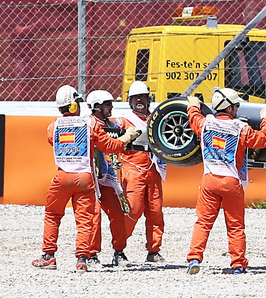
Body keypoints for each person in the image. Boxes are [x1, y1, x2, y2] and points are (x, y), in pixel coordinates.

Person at [31, 85, 137, 272]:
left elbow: (51, 140)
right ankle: (82, 259)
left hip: (62, 176)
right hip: (85, 178)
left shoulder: (52, 126)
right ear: (74, 106)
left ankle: (48, 256)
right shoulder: (90, 125)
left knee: (52, 216)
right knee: (85, 220)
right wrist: (125, 139)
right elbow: (110, 146)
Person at [185, 88, 266, 275]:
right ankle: (238, 265)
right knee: (235, 225)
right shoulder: (241, 128)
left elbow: (194, 118)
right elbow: (264, 139)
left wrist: (193, 106)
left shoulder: (205, 123)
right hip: (231, 181)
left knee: (202, 222)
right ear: (230, 107)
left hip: (209, 179)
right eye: (236, 105)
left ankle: (194, 258)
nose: (237, 109)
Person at [118, 81, 166, 263]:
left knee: (155, 212)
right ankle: (119, 248)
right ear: (130, 101)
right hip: (132, 170)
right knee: (132, 210)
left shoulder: (156, 118)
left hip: (154, 169)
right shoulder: (122, 120)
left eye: (143, 97)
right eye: (136, 98)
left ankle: (153, 250)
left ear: (148, 99)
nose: (139, 101)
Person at [86, 89, 131, 266]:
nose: (111, 107)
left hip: (107, 178)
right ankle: (91, 255)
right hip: (91, 179)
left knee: (118, 215)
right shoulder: (89, 124)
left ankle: (119, 252)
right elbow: (110, 145)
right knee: (94, 216)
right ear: (97, 106)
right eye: (107, 104)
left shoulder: (112, 125)